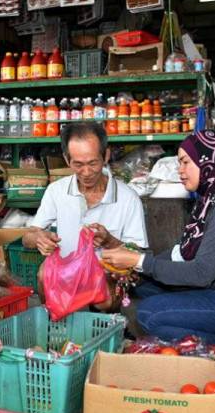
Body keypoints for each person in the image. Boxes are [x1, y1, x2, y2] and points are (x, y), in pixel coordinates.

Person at [101, 130, 215, 361]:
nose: (180, 169)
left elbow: (201, 273)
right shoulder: (212, 198)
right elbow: (182, 252)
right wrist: (135, 268)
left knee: (150, 313)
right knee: (143, 286)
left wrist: (140, 261)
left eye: (186, 162)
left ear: (210, 160)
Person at [22, 121, 148, 310]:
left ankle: (105, 326)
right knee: (44, 274)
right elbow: (27, 237)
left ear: (105, 155)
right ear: (67, 159)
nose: (87, 172)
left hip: (106, 272)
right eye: (78, 164)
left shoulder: (128, 198)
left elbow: (139, 254)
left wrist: (109, 241)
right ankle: (55, 325)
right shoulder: (56, 191)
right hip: (67, 268)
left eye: (93, 163)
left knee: (105, 293)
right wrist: (39, 238)